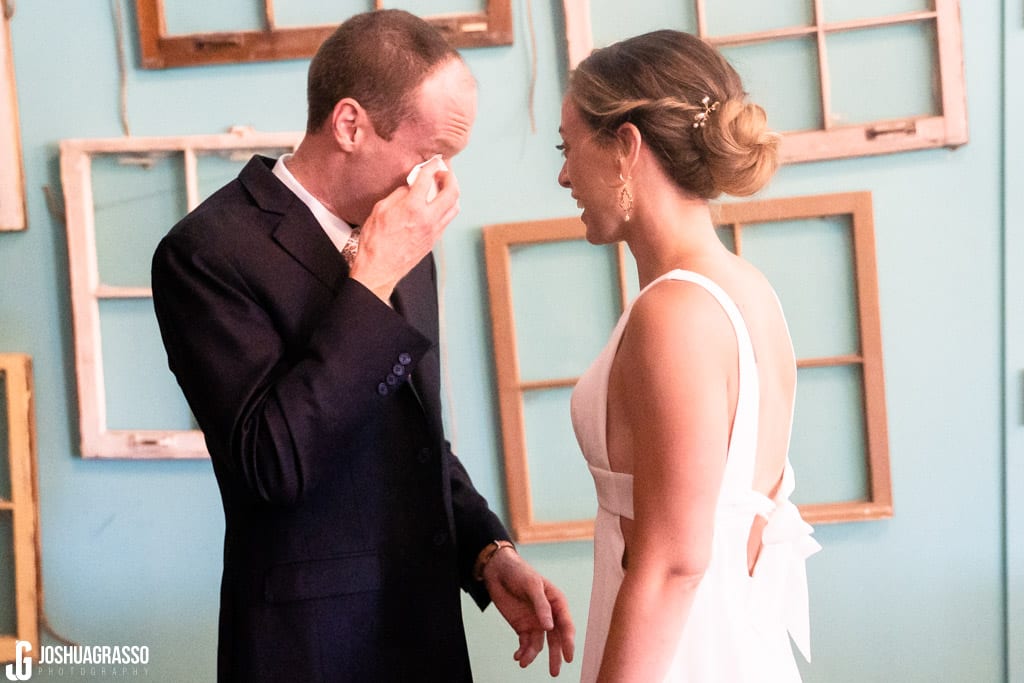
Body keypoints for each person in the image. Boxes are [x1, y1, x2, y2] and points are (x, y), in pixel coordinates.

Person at [151, 10, 573, 682]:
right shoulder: (205, 252)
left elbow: (409, 430)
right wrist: (372, 277)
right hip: (309, 648)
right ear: (350, 124)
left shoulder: (406, 235)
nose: (442, 184)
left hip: (428, 637)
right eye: (431, 153)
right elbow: (273, 462)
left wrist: (487, 550)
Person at [557, 30, 821, 682]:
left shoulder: (674, 312)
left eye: (569, 148)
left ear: (625, 147)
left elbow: (674, 561)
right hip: (734, 645)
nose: (564, 175)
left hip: (680, 657)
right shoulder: (747, 288)